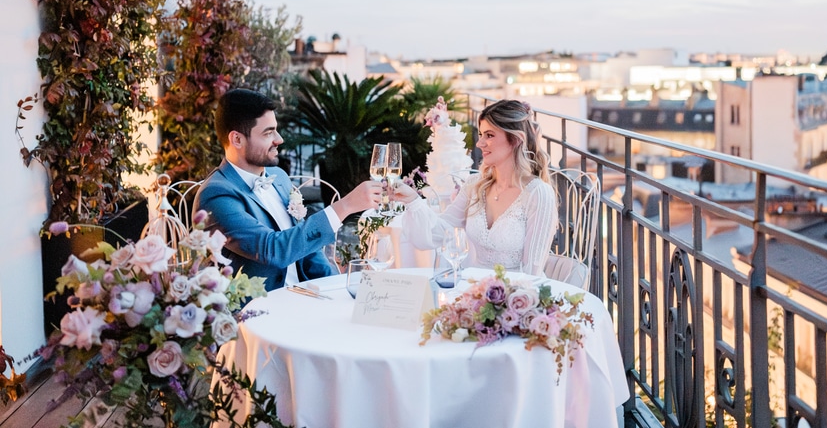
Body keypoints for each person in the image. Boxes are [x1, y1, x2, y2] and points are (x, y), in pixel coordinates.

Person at [193, 88, 383, 291]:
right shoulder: (215, 196)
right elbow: (272, 249)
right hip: (257, 311)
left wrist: (337, 288)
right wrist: (345, 206)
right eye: (268, 133)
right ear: (237, 139)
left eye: (275, 129)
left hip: (304, 298)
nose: (279, 139)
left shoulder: (279, 178)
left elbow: (308, 251)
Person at [396, 99, 557, 275]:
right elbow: (440, 230)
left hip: (515, 295)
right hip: (473, 290)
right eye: (481, 135)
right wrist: (413, 200)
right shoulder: (475, 185)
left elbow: (532, 271)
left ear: (516, 140)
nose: (480, 143)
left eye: (489, 135)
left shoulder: (537, 193)